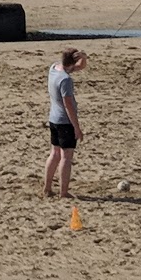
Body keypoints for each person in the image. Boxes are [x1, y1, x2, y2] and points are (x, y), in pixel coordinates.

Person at [44, 48, 88, 199]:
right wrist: (77, 127)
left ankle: (47, 188)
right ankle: (63, 192)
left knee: (54, 153)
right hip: (64, 122)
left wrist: (83, 56)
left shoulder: (54, 67)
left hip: (53, 119)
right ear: (71, 64)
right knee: (65, 157)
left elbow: (80, 66)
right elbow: (68, 105)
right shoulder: (65, 80)